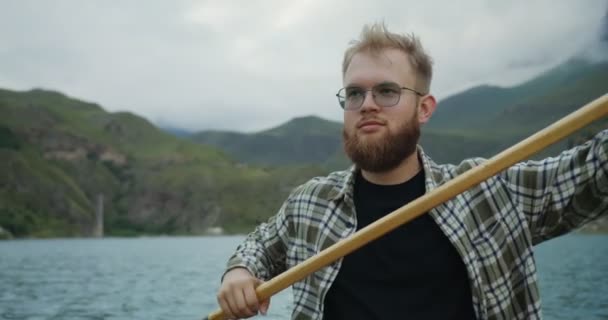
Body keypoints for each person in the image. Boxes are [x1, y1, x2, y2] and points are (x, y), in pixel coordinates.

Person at [215, 22, 608, 320]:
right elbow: (262, 244)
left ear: (424, 108)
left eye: (387, 91)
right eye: (354, 93)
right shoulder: (310, 203)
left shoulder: (488, 191)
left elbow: (595, 169)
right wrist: (239, 271)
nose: (367, 104)